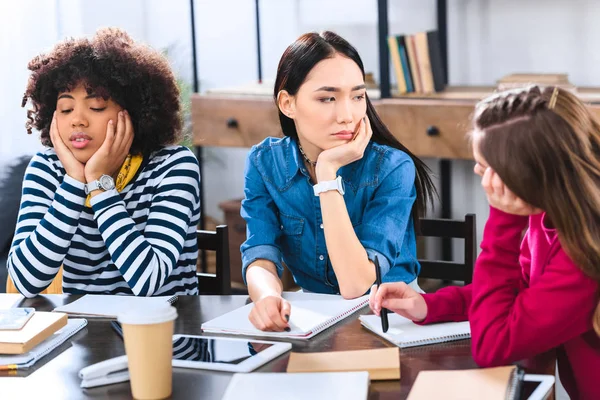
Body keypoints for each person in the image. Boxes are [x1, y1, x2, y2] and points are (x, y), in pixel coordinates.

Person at [370, 86, 600, 399]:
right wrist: (429, 305)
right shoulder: (552, 212)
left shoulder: (585, 252)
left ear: (530, 174)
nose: (479, 171)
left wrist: (503, 223)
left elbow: (494, 345)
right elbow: (521, 291)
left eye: (486, 165)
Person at [241, 31, 436, 332]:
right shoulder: (264, 163)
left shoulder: (393, 167)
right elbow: (260, 251)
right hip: (314, 317)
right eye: (327, 98)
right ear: (287, 103)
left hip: (392, 318)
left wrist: (327, 172)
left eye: (357, 96)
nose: (347, 115)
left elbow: (356, 284)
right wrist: (266, 296)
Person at [8, 28, 200, 297]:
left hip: (164, 333)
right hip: (84, 336)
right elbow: (26, 282)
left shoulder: (173, 166)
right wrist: (75, 181)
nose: (78, 120)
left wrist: (99, 184)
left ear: (133, 112)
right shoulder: (47, 168)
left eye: (96, 107)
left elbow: (148, 281)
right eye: (65, 109)